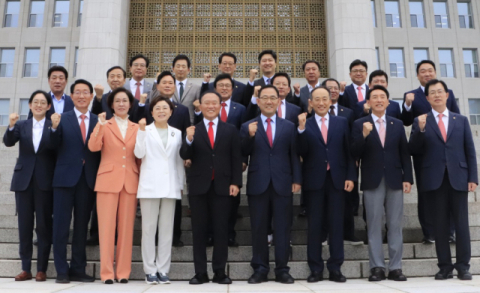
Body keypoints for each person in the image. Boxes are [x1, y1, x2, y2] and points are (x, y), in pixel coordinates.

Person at [409, 79, 477, 281]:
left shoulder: (461, 120)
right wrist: (420, 130)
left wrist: (473, 177)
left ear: (447, 95)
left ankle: (463, 266)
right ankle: (444, 266)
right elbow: (413, 150)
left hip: (458, 177)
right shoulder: (421, 120)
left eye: (441, 91)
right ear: (427, 98)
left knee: (462, 224)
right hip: (434, 179)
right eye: (433, 92)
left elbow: (470, 151)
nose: (437, 95)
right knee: (439, 225)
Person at [351, 85, 413, 282]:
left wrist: (408, 178)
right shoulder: (360, 124)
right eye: (374, 97)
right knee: (374, 225)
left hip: (395, 179)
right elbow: (354, 153)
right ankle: (377, 266)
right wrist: (364, 135)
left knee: (394, 225)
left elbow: (405, 153)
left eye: (382, 97)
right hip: (372, 180)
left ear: (387, 102)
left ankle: (396, 267)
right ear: (367, 102)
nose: (378, 100)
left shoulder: (397, 124)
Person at [241, 85, 301, 284]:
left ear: (278, 101)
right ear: (258, 101)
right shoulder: (248, 125)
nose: (268, 101)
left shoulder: (289, 126)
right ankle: (260, 268)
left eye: (272, 98)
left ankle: (282, 269)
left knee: (283, 228)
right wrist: (249, 137)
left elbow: (294, 155)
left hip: (283, 183)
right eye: (264, 97)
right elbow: (242, 154)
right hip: (258, 183)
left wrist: (296, 180)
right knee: (258, 228)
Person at [180, 91, 242, 285]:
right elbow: (184, 154)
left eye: (214, 103)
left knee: (221, 230)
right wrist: (188, 139)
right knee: (198, 231)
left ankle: (219, 272)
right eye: (207, 103)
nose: (210, 106)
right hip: (199, 186)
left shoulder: (230, 129)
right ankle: (200, 273)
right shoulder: (193, 130)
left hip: (223, 186)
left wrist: (236, 182)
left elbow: (235, 157)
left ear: (220, 105)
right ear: (201, 106)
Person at [297, 86, 355, 283]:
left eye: (325, 99)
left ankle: (335, 267)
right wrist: (302, 130)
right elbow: (302, 152)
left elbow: (348, 153)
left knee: (336, 225)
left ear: (330, 102)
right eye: (317, 99)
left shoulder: (342, 122)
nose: (321, 103)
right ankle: (315, 268)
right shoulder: (306, 124)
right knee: (314, 226)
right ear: (310, 103)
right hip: (314, 181)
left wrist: (350, 177)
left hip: (337, 180)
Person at [402, 60, 460, 244]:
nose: (427, 74)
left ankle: (450, 232)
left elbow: (456, 119)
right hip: (423, 153)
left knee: (449, 193)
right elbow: (405, 121)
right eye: (422, 71)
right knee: (426, 194)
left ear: (435, 72)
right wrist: (408, 105)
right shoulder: (411, 95)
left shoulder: (446, 93)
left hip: (446, 152)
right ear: (417, 75)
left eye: (430, 71)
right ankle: (429, 232)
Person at [49, 79, 101, 284]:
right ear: (71, 96)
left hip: (87, 180)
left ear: (90, 96)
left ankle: (78, 268)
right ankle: (61, 269)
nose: (81, 96)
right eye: (77, 92)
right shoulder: (61, 118)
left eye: (85, 92)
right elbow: (52, 146)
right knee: (61, 226)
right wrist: (53, 128)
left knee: (81, 227)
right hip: (63, 180)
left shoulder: (99, 120)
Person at [87, 87, 139, 284]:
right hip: (108, 181)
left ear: (130, 104)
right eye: (117, 101)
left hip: (130, 181)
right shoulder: (104, 124)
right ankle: (107, 273)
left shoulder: (136, 127)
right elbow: (93, 147)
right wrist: (99, 125)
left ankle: (123, 272)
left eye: (124, 100)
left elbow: (139, 155)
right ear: (111, 104)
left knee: (126, 230)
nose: (121, 104)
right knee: (106, 229)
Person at [3, 91, 56, 282]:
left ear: (49, 106)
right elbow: (8, 142)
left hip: (45, 181)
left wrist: (56, 129)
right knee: (24, 226)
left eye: (43, 102)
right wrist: (10, 125)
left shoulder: (53, 125)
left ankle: (42, 268)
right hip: (23, 181)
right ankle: (25, 268)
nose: (39, 105)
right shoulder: (21, 125)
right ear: (30, 106)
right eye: (36, 102)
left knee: (43, 226)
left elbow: (57, 147)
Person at [136, 71, 191, 247]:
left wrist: (185, 156)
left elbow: (185, 133)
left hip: (174, 160)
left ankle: (175, 235)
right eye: (164, 82)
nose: (167, 85)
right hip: (152, 162)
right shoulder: (147, 106)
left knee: (173, 204)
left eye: (171, 83)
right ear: (157, 86)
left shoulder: (181, 109)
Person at [134, 96, 185, 285]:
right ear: (152, 111)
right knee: (148, 229)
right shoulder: (144, 130)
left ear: (171, 112)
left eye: (165, 108)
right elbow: (139, 154)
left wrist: (180, 184)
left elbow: (179, 161)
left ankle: (163, 269)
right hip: (149, 185)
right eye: (157, 108)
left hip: (171, 185)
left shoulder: (177, 133)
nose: (161, 111)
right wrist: (140, 132)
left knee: (166, 230)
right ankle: (149, 269)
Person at [194, 73, 247, 247]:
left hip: (230, 162)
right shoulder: (206, 108)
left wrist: (242, 159)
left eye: (228, 86)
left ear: (232, 90)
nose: (224, 88)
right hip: (206, 165)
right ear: (214, 89)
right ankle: (210, 235)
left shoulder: (239, 109)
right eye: (220, 85)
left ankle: (229, 234)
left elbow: (242, 135)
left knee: (231, 204)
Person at [317, 78, 360, 246]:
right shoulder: (315, 111)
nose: (333, 90)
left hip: (342, 163)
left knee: (347, 201)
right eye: (330, 88)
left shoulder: (347, 112)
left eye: (336, 88)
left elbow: (351, 138)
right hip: (321, 165)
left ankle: (348, 233)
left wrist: (353, 159)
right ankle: (323, 235)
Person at [171, 54, 201, 123]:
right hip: (170, 124)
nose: (180, 69)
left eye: (183, 66)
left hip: (189, 125)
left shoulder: (196, 88)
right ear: (173, 69)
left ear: (188, 70)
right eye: (178, 66)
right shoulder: (168, 87)